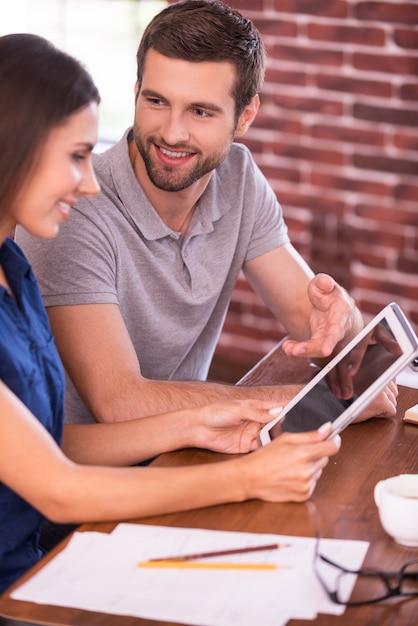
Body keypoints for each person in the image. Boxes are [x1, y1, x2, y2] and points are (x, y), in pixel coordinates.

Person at [0, 31, 346, 595]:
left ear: (244, 115)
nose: (90, 184)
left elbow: (52, 443)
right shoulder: (61, 238)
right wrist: (246, 475)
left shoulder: (12, 268)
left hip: (43, 555)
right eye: (76, 157)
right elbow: (58, 488)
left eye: (202, 109)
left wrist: (202, 423)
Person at [16, 0, 397, 432]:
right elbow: (120, 402)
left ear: (245, 116)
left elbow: (310, 321)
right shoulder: (73, 210)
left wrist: (343, 318)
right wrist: (307, 403)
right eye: (156, 101)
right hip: (96, 473)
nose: (172, 133)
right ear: (136, 90)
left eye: (200, 111)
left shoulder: (238, 177)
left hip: (191, 444)